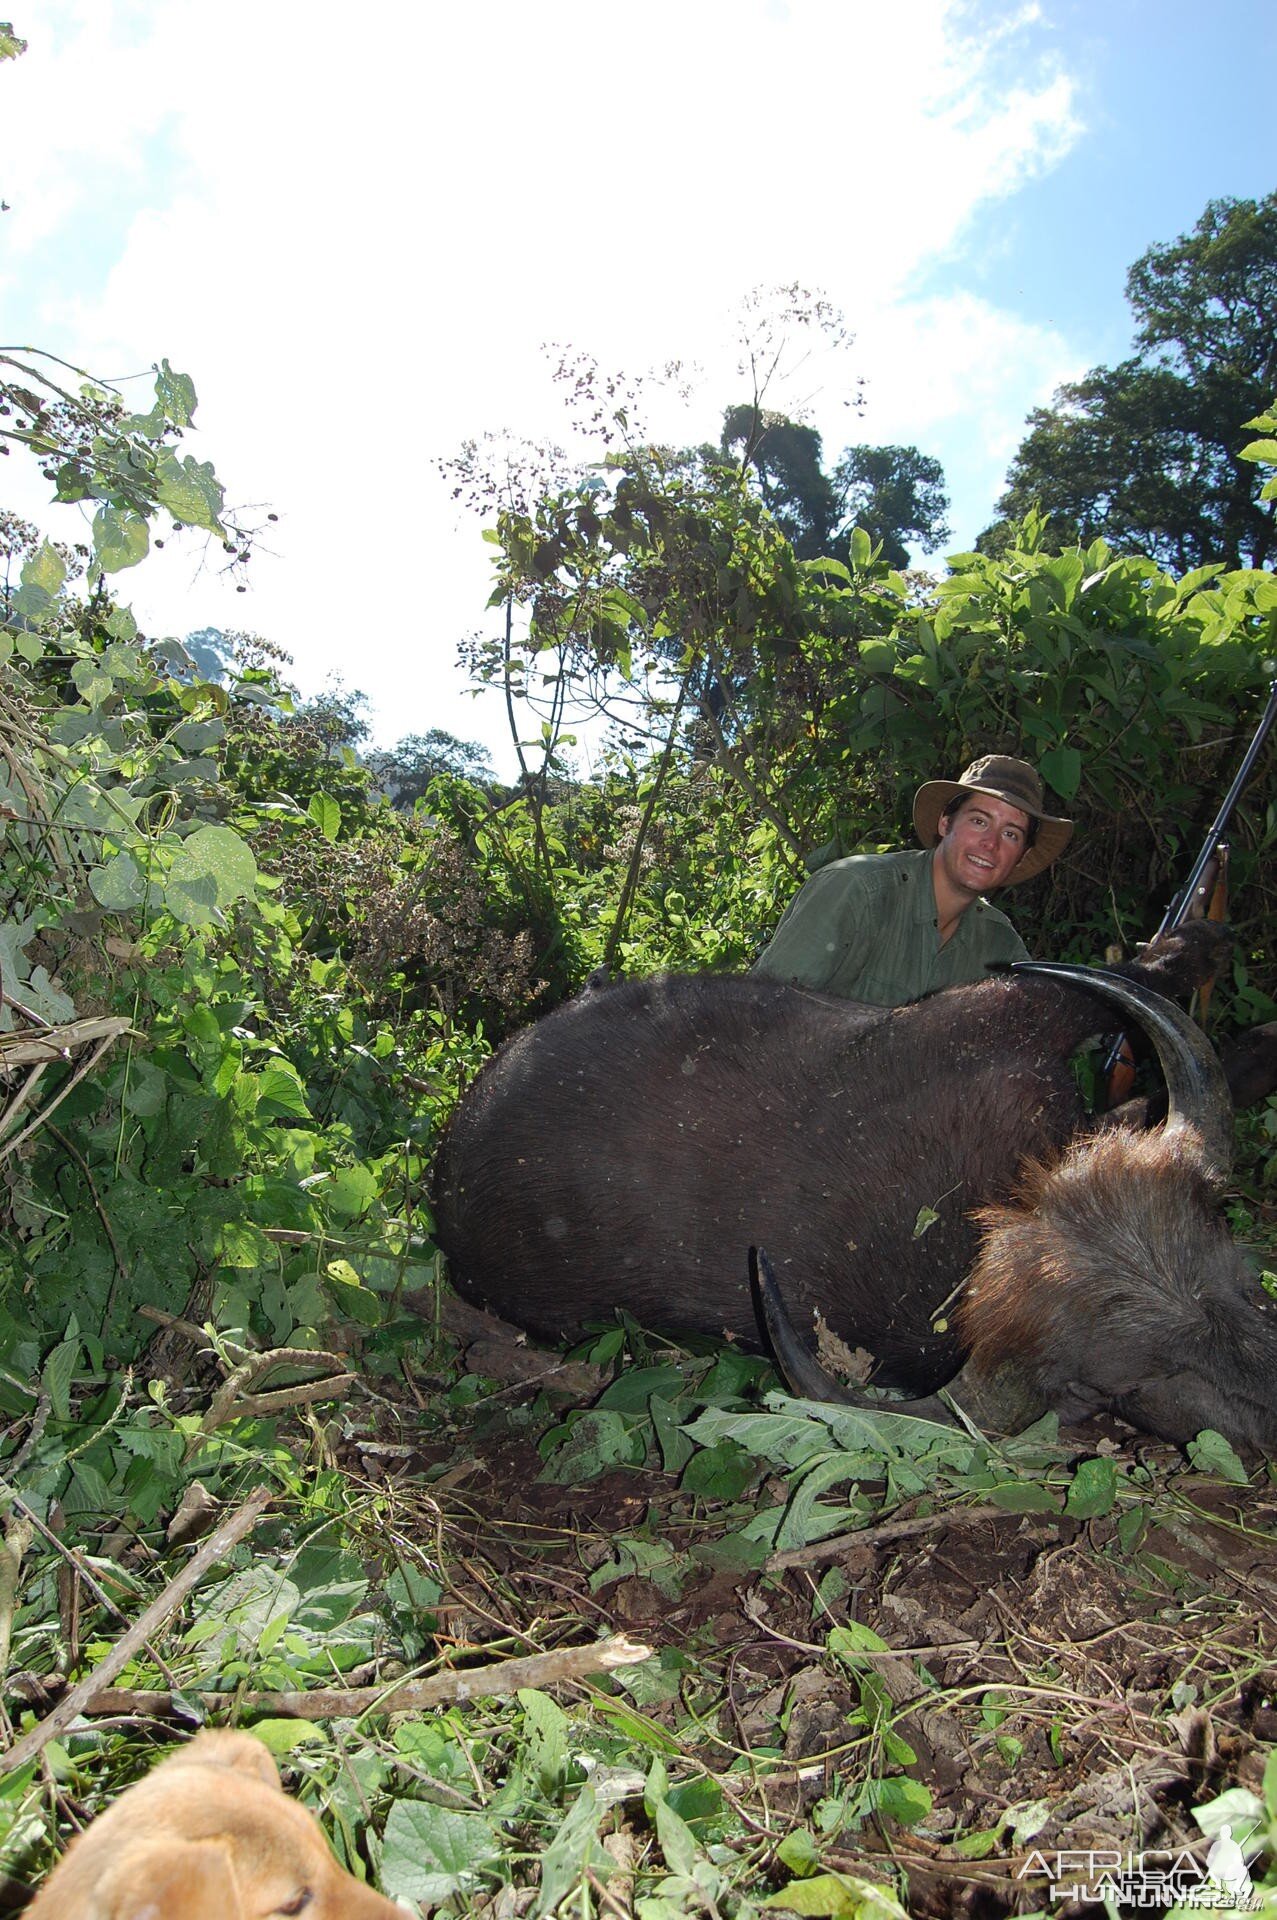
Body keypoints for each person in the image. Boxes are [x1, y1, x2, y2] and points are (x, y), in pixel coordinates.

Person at [753, 754, 1072, 1006]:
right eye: (979, 821)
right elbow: (758, 1013)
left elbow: (1054, 1020)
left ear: (1021, 856)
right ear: (946, 823)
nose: (991, 844)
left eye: (1011, 834)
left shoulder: (998, 943)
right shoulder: (856, 890)